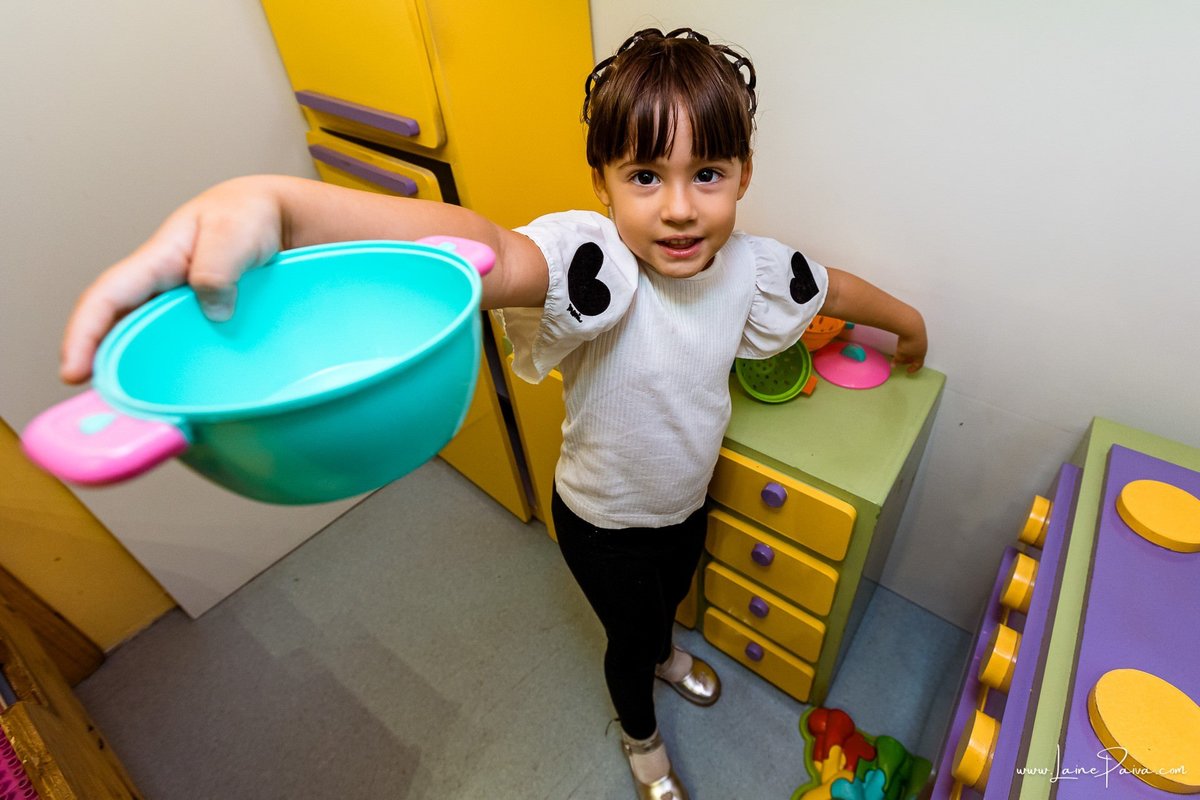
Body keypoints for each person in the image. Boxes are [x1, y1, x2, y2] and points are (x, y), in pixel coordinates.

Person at [59, 27, 926, 800]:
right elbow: (478, 246)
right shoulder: (597, 267)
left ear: (743, 175)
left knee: (668, 600)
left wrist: (908, 326)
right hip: (601, 518)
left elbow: (833, 287)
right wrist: (283, 206)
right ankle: (642, 734)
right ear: (603, 184)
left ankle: (665, 651)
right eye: (644, 175)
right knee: (625, 637)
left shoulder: (753, 269)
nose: (678, 206)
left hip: (684, 500)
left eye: (707, 174)